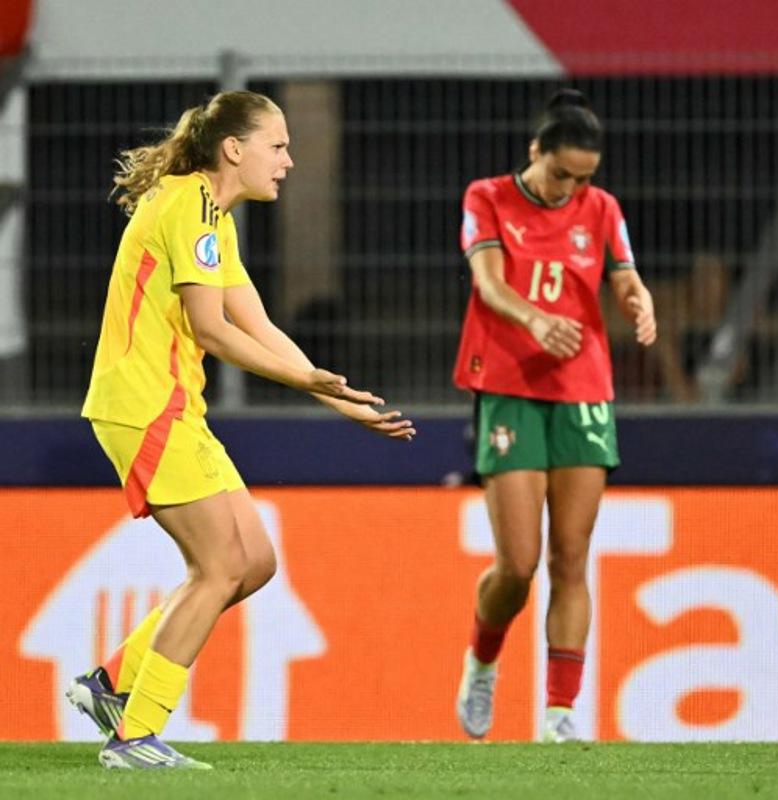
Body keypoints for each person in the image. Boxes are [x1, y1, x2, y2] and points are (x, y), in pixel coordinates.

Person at [68, 91, 414, 769]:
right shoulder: (190, 206)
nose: (288, 161)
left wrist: (336, 396)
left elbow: (257, 323)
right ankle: (133, 737)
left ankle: (111, 683)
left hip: (173, 408)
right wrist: (304, 382)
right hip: (145, 407)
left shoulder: (210, 214)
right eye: (277, 146)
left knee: (252, 561)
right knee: (219, 567)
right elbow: (212, 331)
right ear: (235, 149)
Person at [452, 89, 656, 743]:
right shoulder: (486, 197)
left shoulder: (601, 208)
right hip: (508, 382)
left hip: (584, 385)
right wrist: (536, 319)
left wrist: (638, 300)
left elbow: (624, 273)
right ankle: (482, 659)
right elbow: (487, 282)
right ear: (535, 151)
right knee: (518, 563)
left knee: (571, 559)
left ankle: (560, 714)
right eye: (562, 173)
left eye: (585, 177)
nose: (573, 188)